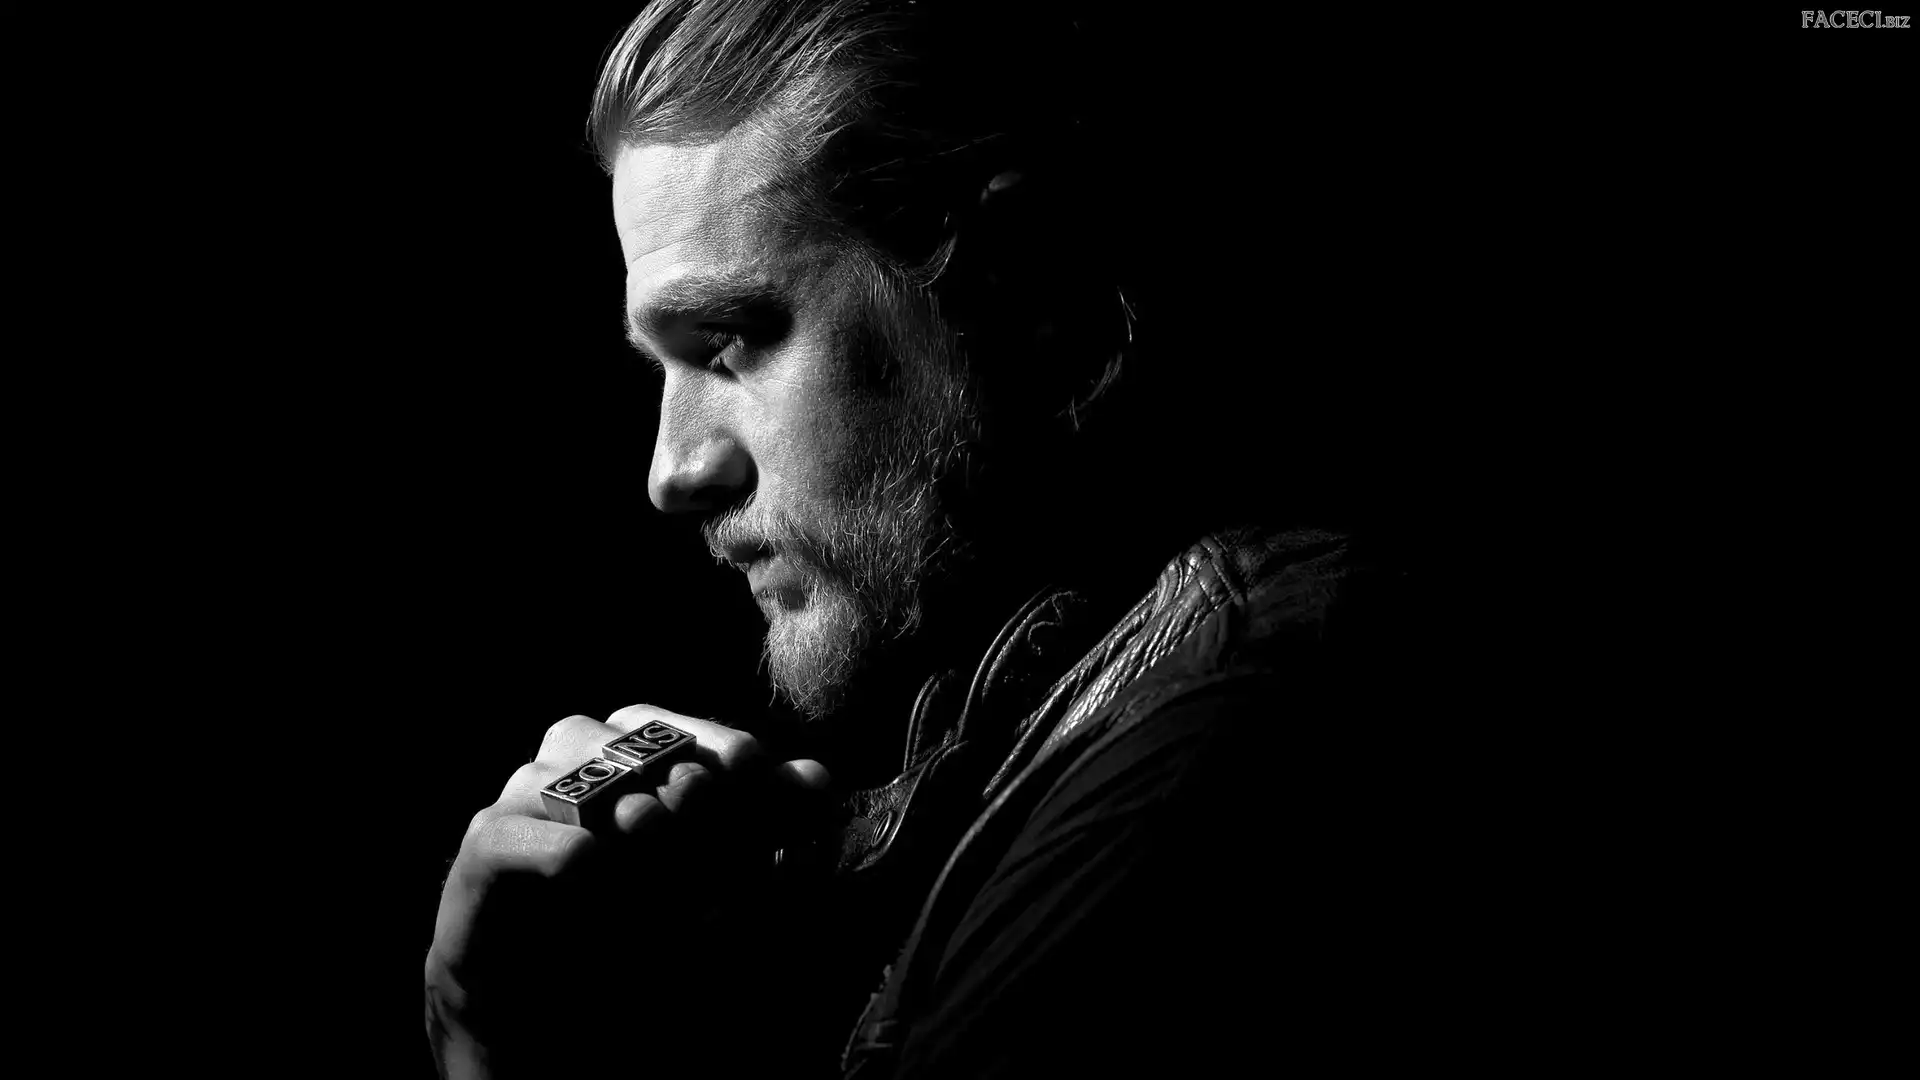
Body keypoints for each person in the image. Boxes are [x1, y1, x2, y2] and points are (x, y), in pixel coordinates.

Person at [425, 2, 1454, 1076]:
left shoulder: (1226, 714)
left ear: (1018, 279)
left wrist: (490, 1041)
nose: (673, 471)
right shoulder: (1033, 732)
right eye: (661, 369)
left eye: (727, 343)